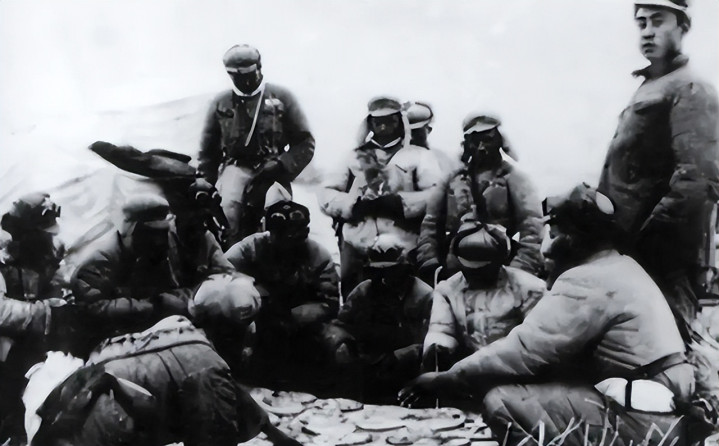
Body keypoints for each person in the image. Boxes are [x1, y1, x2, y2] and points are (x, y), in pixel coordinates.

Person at [400, 184, 696, 445]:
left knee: (503, 402)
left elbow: (523, 352)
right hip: (657, 404)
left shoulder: (586, 280)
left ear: (573, 237)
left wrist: (445, 379)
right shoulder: (621, 266)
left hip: (642, 418)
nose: (548, 246)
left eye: (554, 233)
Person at [597, 0, 719, 335]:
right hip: (628, 252)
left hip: (663, 258)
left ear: (683, 26)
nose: (648, 31)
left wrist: (645, 243)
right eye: (642, 23)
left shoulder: (690, 88)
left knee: (668, 346)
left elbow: (698, 181)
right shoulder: (649, 87)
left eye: (658, 21)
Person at [24, 316, 302, 446]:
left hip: (176, 368)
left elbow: (224, 388)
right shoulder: (81, 397)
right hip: (178, 349)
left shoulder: (90, 422)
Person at [71, 194, 233, 354]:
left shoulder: (155, 253)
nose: (160, 241)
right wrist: (153, 306)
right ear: (130, 230)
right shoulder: (98, 261)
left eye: (163, 232)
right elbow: (92, 309)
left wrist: (176, 300)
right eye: (150, 233)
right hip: (114, 344)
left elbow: (171, 291)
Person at [319, 96, 442, 296]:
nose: (383, 126)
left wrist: (400, 203)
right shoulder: (353, 156)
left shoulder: (419, 155)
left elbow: (436, 195)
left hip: (404, 246)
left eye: (389, 120)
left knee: (404, 299)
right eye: (378, 121)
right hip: (357, 245)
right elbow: (326, 193)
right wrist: (353, 205)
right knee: (355, 298)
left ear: (400, 122)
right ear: (370, 123)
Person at [198, 44, 315, 247]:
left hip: (273, 169)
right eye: (235, 76)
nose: (242, 81)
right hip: (235, 169)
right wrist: (205, 185)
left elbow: (305, 142)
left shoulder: (281, 97)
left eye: (247, 75)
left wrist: (280, 165)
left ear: (259, 68)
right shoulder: (221, 103)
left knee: (279, 219)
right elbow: (208, 151)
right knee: (229, 215)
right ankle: (232, 261)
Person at [224, 185, 340, 387]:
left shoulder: (318, 256)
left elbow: (329, 303)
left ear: (304, 233)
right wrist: (253, 298)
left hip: (299, 324)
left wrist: (291, 317)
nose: (285, 243)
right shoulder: (249, 249)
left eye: (292, 236)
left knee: (333, 345)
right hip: (257, 318)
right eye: (279, 235)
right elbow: (221, 277)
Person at [417, 113, 544, 285]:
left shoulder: (515, 179)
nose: (482, 147)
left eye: (488, 140)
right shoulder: (451, 179)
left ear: (499, 141)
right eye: (476, 141)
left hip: (501, 268)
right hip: (456, 270)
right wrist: (430, 263)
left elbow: (532, 227)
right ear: (467, 144)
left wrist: (520, 269)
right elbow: (431, 223)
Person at [0, 194, 78, 443]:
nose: (51, 237)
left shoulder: (52, 250)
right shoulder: (3, 258)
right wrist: (45, 312)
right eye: (44, 233)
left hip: (37, 339)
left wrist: (62, 302)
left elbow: (61, 285)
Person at [421, 222, 545, 373]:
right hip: (465, 370)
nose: (475, 274)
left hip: (515, 367)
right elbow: (442, 329)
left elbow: (535, 338)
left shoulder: (530, 288)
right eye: (470, 268)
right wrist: (439, 347)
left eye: (483, 268)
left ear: (499, 261)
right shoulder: (447, 290)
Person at [330, 234, 433, 402]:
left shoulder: (424, 296)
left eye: (392, 270)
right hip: (369, 367)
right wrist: (343, 343)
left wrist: (400, 356)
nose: (386, 276)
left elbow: (432, 342)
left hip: (408, 371)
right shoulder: (364, 291)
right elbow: (341, 324)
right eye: (380, 271)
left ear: (404, 267)